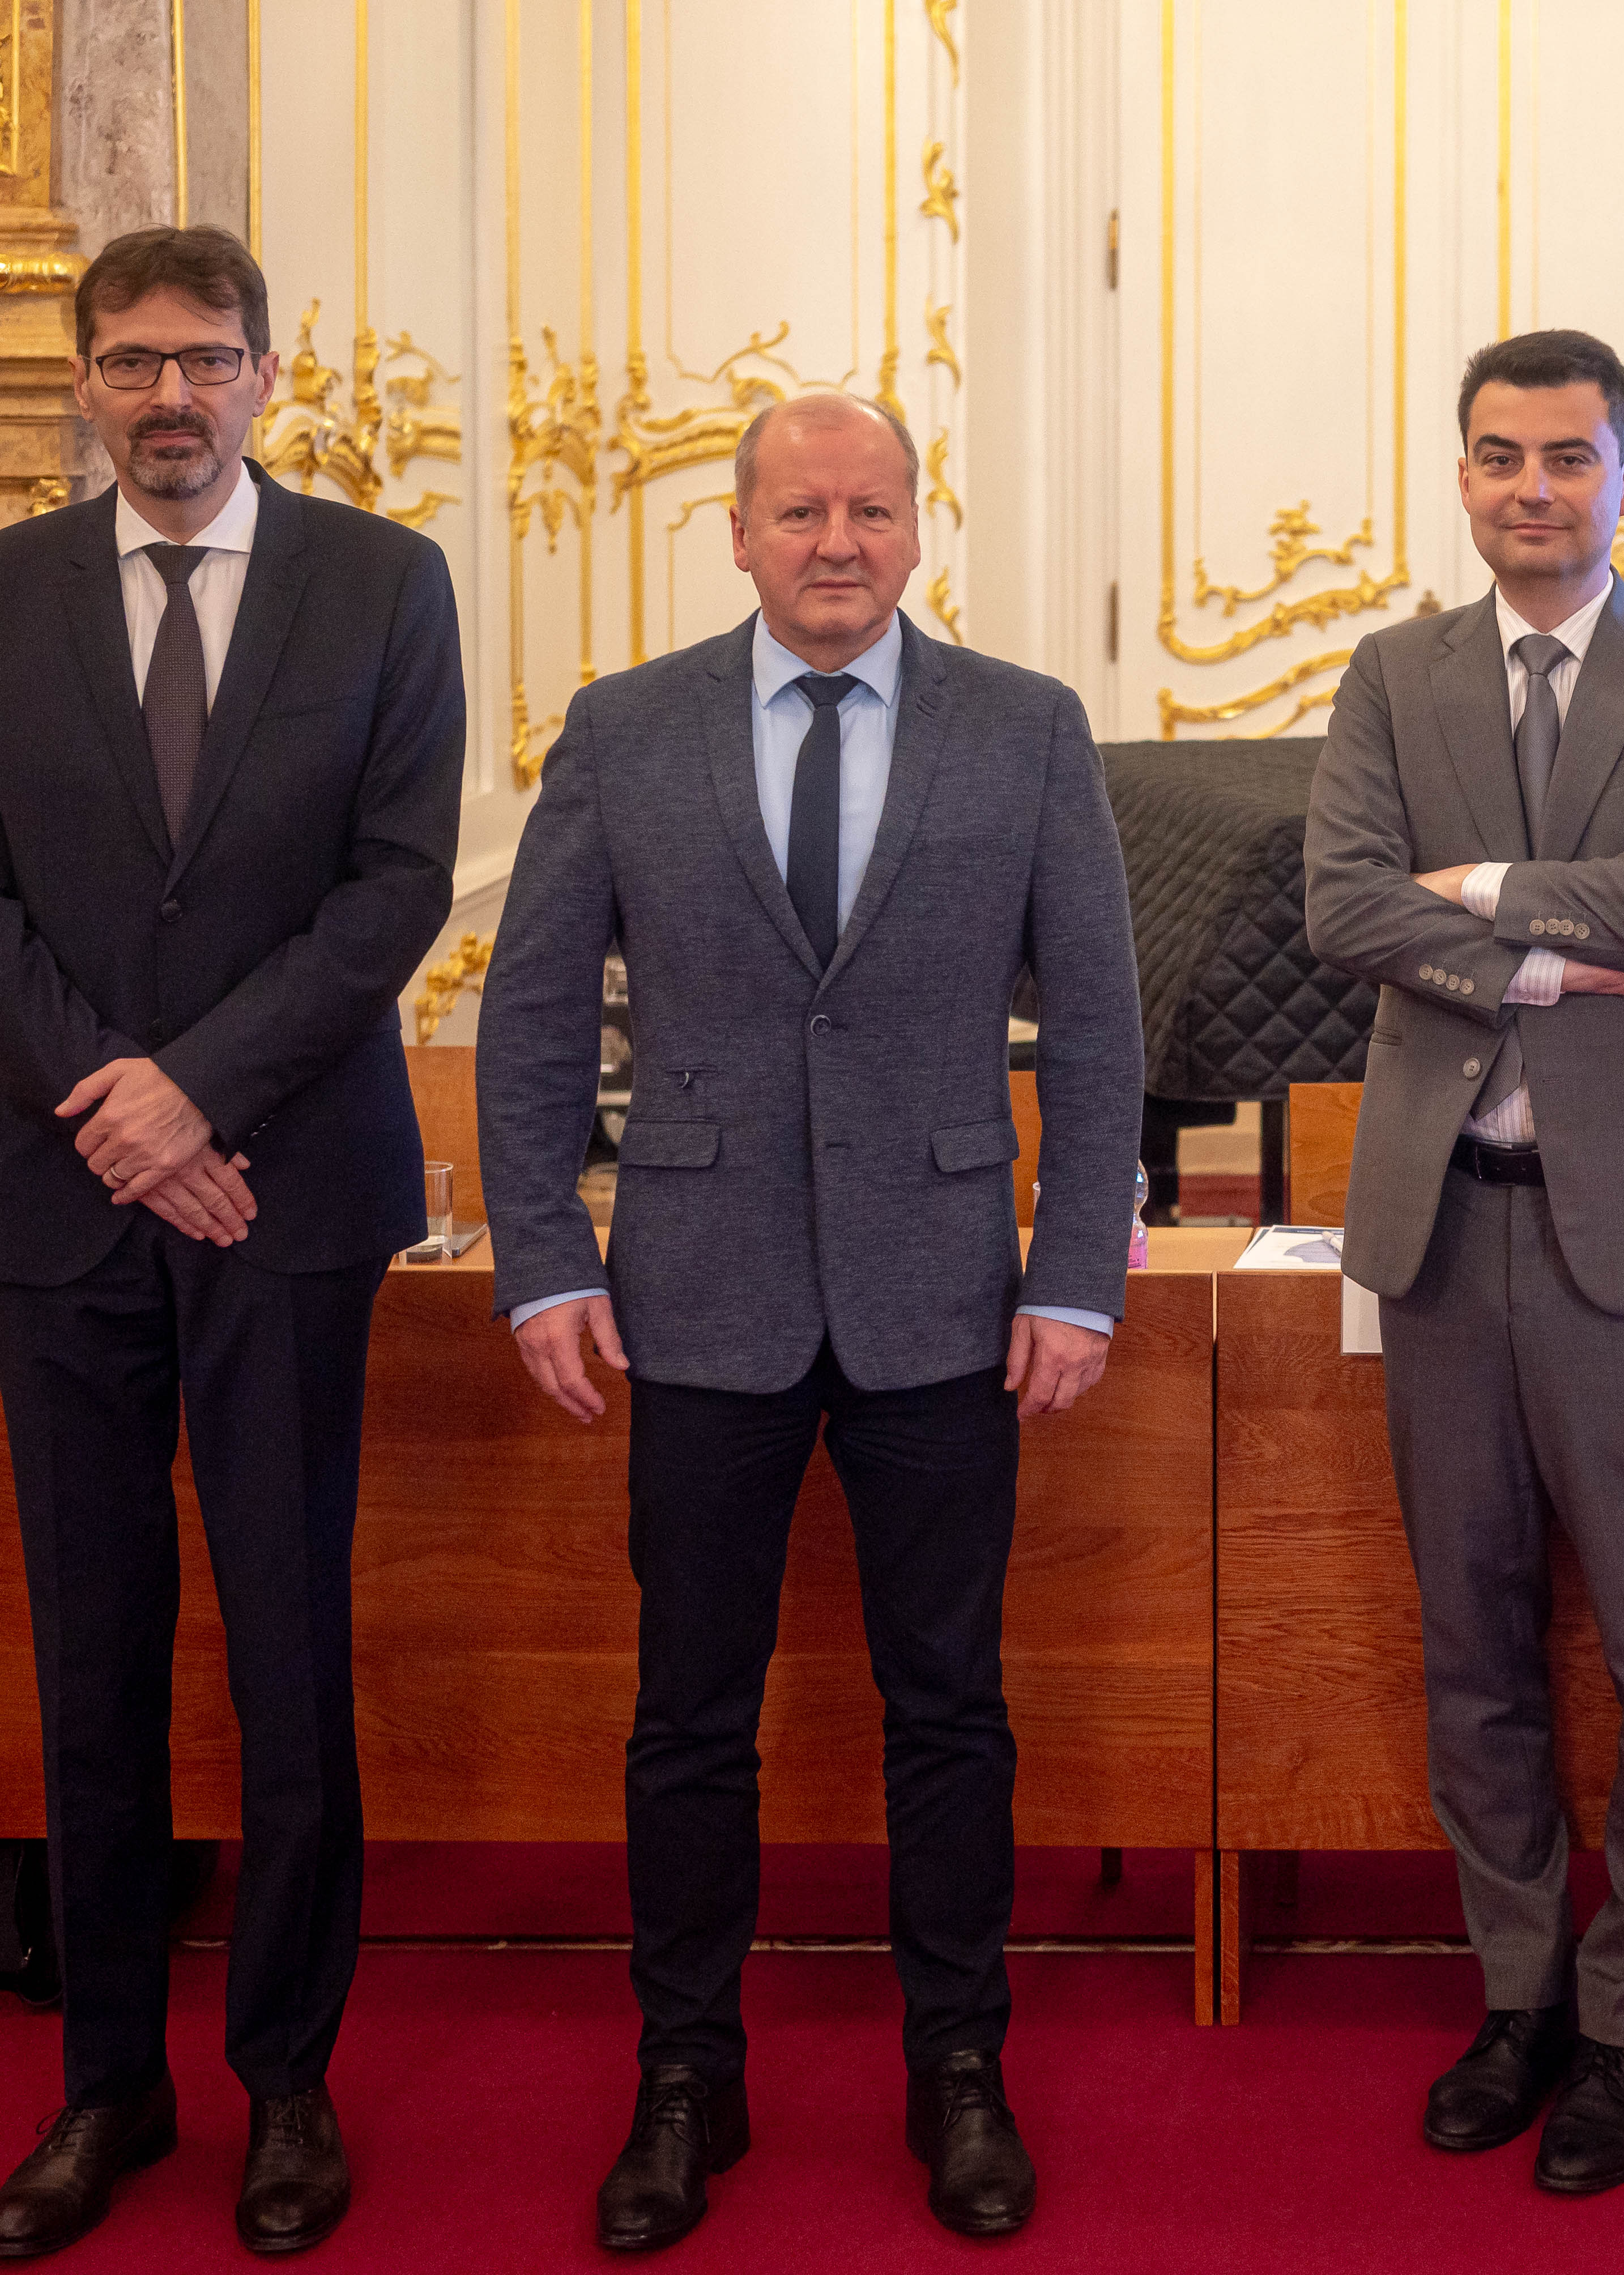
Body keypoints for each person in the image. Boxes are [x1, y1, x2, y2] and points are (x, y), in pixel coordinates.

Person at [476, 390, 1142, 2251]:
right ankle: (685, 2076)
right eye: (799, 512)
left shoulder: (1026, 726)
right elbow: (535, 1016)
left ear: (918, 526)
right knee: (688, 1718)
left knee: (951, 1712)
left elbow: (1101, 1025)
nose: (836, 543)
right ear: (741, 533)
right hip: (699, 1298)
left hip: (950, 1300)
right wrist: (545, 1255)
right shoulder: (625, 729)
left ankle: (960, 2070)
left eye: (870, 510)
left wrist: (1075, 1269)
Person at [0, 223, 465, 2260]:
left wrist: (200, 1096)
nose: (170, 397)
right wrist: (121, 1112)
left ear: (265, 377)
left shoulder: (384, 583)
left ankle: (287, 2082)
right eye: (134, 361)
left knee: (291, 1651)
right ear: (83, 379)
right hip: (63, 1205)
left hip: (287, 1195)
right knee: (92, 1659)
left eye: (207, 361)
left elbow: (394, 886)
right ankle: (109, 2084)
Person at [1303, 328, 1624, 2197]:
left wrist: (1481, 892)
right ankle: (1521, 1993)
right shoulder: (1391, 673)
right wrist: (1572, 950)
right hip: (1440, 1223)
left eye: (1570, 458)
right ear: (1464, 479)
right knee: (1475, 1636)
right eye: (1501, 457)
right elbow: (1345, 905)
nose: (1534, 488)